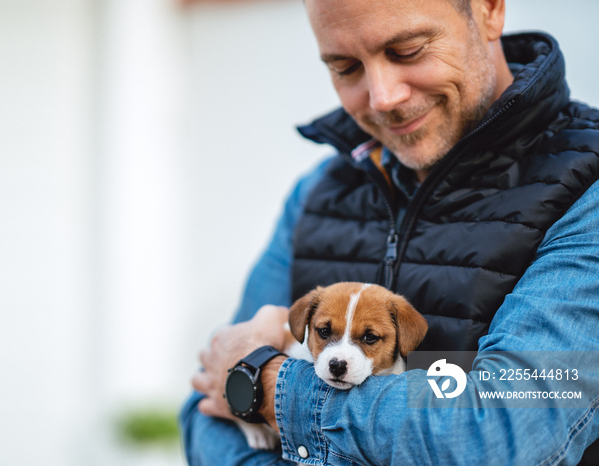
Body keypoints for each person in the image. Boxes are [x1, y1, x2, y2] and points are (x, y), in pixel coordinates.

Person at [181, 0, 599, 464]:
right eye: (345, 67)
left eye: (409, 50)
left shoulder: (587, 187)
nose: (382, 98)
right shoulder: (316, 191)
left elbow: (498, 433)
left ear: (489, 10)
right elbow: (206, 408)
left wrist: (267, 386)